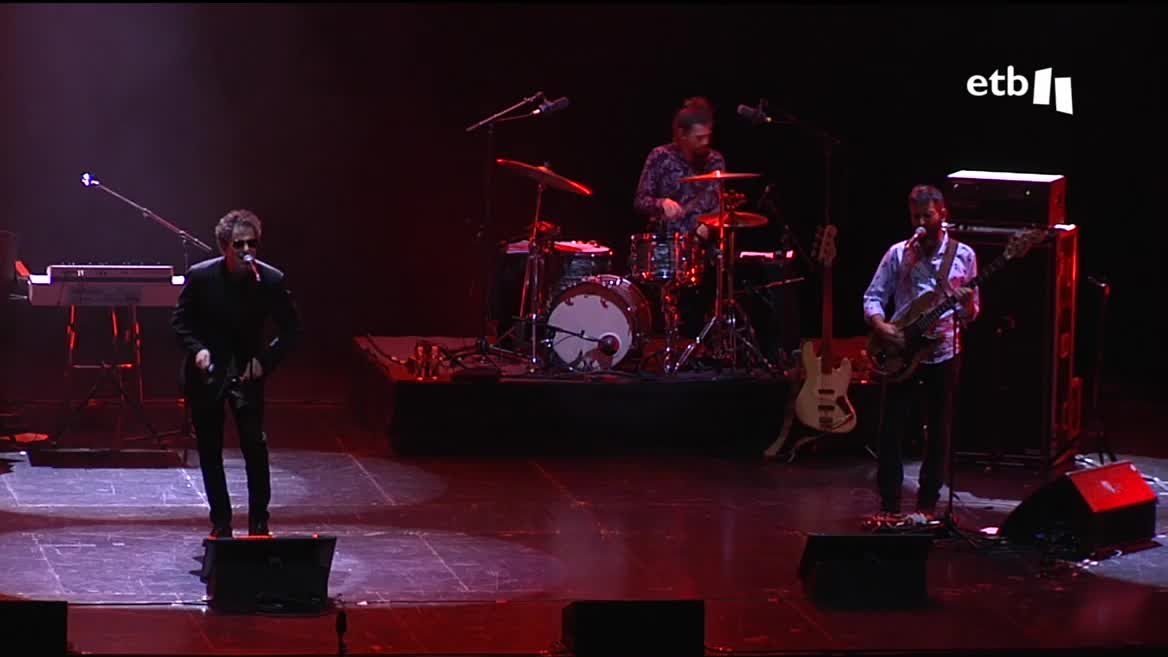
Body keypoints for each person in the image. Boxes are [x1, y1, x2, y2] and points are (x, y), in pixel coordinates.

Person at [172, 209, 302, 538]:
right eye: (239, 244)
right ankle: (221, 522)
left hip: (247, 375)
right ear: (224, 246)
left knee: (254, 448)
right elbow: (180, 323)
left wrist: (265, 359)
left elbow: (292, 330)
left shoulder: (270, 280)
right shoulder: (201, 277)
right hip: (208, 376)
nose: (247, 251)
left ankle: (259, 522)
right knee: (211, 449)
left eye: (253, 244)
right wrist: (198, 349)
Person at [861, 185, 979, 522]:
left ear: (942, 214)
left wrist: (968, 304)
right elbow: (873, 296)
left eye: (928, 216)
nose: (922, 223)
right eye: (916, 217)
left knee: (939, 429)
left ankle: (927, 505)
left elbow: (972, 314)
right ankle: (889, 504)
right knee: (891, 428)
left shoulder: (964, 256)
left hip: (943, 351)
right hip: (901, 353)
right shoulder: (899, 253)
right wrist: (881, 326)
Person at [633, 97, 725, 338]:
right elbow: (640, 200)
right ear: (682, 134)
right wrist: (661, 203)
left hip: (703, 248)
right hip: (665, 247)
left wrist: (710, 226)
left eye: (708, 136)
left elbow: (720, 203)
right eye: (699, 138)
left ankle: (702, 347)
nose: (705, 142)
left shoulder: (714, 160)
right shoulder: (660, 156)